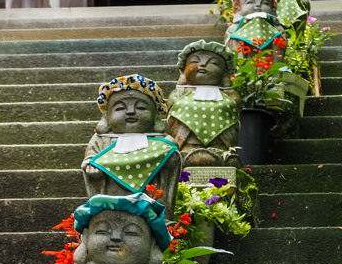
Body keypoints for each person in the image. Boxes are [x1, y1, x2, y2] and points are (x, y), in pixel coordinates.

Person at [82, 74, 181, 219]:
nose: (130, 111)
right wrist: (91, 166)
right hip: (112, 192)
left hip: (149, 195)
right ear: (106, 117)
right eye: (120, 108)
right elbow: (91, 156)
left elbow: (172, 165)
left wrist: (170, 155)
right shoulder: (101, 140)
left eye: (141, 107)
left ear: (155, 116)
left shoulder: (159, 140)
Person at [166, 40, 241, 167]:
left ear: (224, 72)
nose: (202, 65)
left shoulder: (229, 96)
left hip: (219, 147)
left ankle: (220, 151)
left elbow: (236, 111)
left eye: (213, 63)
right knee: (179, 159)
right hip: (187, 146)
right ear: (183, 70)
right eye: (195, 61)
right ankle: (187, 150)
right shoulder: (179, 94)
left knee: (228, 159)